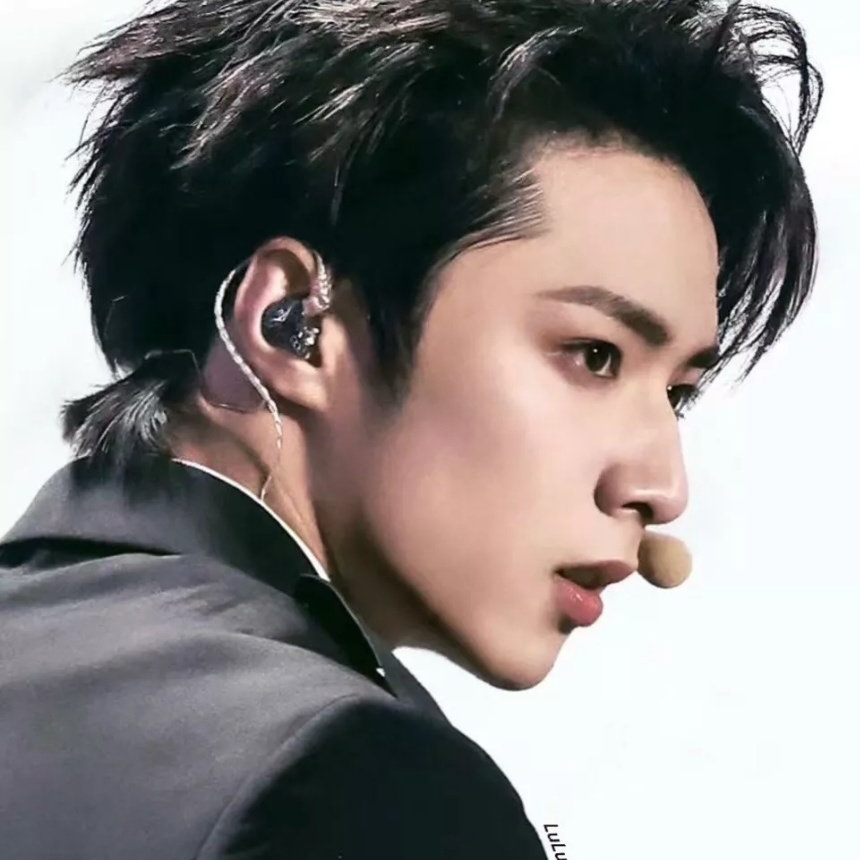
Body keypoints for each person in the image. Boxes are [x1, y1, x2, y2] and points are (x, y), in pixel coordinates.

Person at [0, 1, 821, 857]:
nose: (662, 488)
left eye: (677, 396)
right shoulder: (357, 784)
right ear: (297, 324)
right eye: (595, 355)